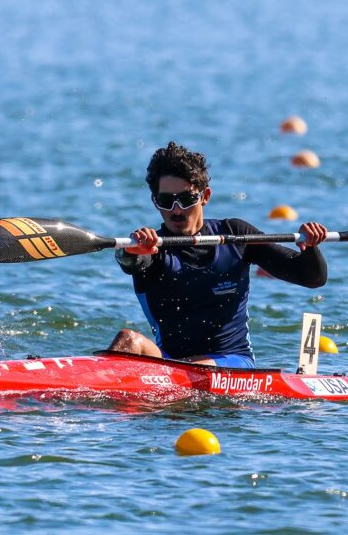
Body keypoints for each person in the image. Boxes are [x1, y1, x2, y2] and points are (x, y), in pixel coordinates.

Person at [108, 141, 328, 368]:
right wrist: (129, 251)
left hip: (233, 362)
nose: (176, 210)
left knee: (198, 367)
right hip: (170, 364)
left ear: (205, 196)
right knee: (127, 340)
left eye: (186, 199)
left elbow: (312, 278)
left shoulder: (236, 235)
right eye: (166, 201)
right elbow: (132, 262)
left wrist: (311, 247)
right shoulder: (151, 249)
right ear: (155, 202)